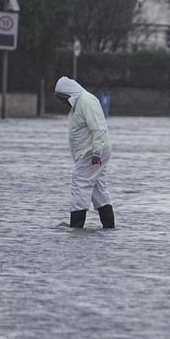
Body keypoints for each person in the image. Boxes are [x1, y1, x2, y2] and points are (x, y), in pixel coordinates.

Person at [54, 76, 115, 229]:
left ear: (69, 94)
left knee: (79, 181)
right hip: (93, 151)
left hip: (92, 151)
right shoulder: (79, 104)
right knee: (97, 188)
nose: (62, 102)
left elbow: (98, 127)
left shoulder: (86, 101)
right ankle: (109, 227)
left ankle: (76, 226)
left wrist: (96, 152)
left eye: (63, 98)